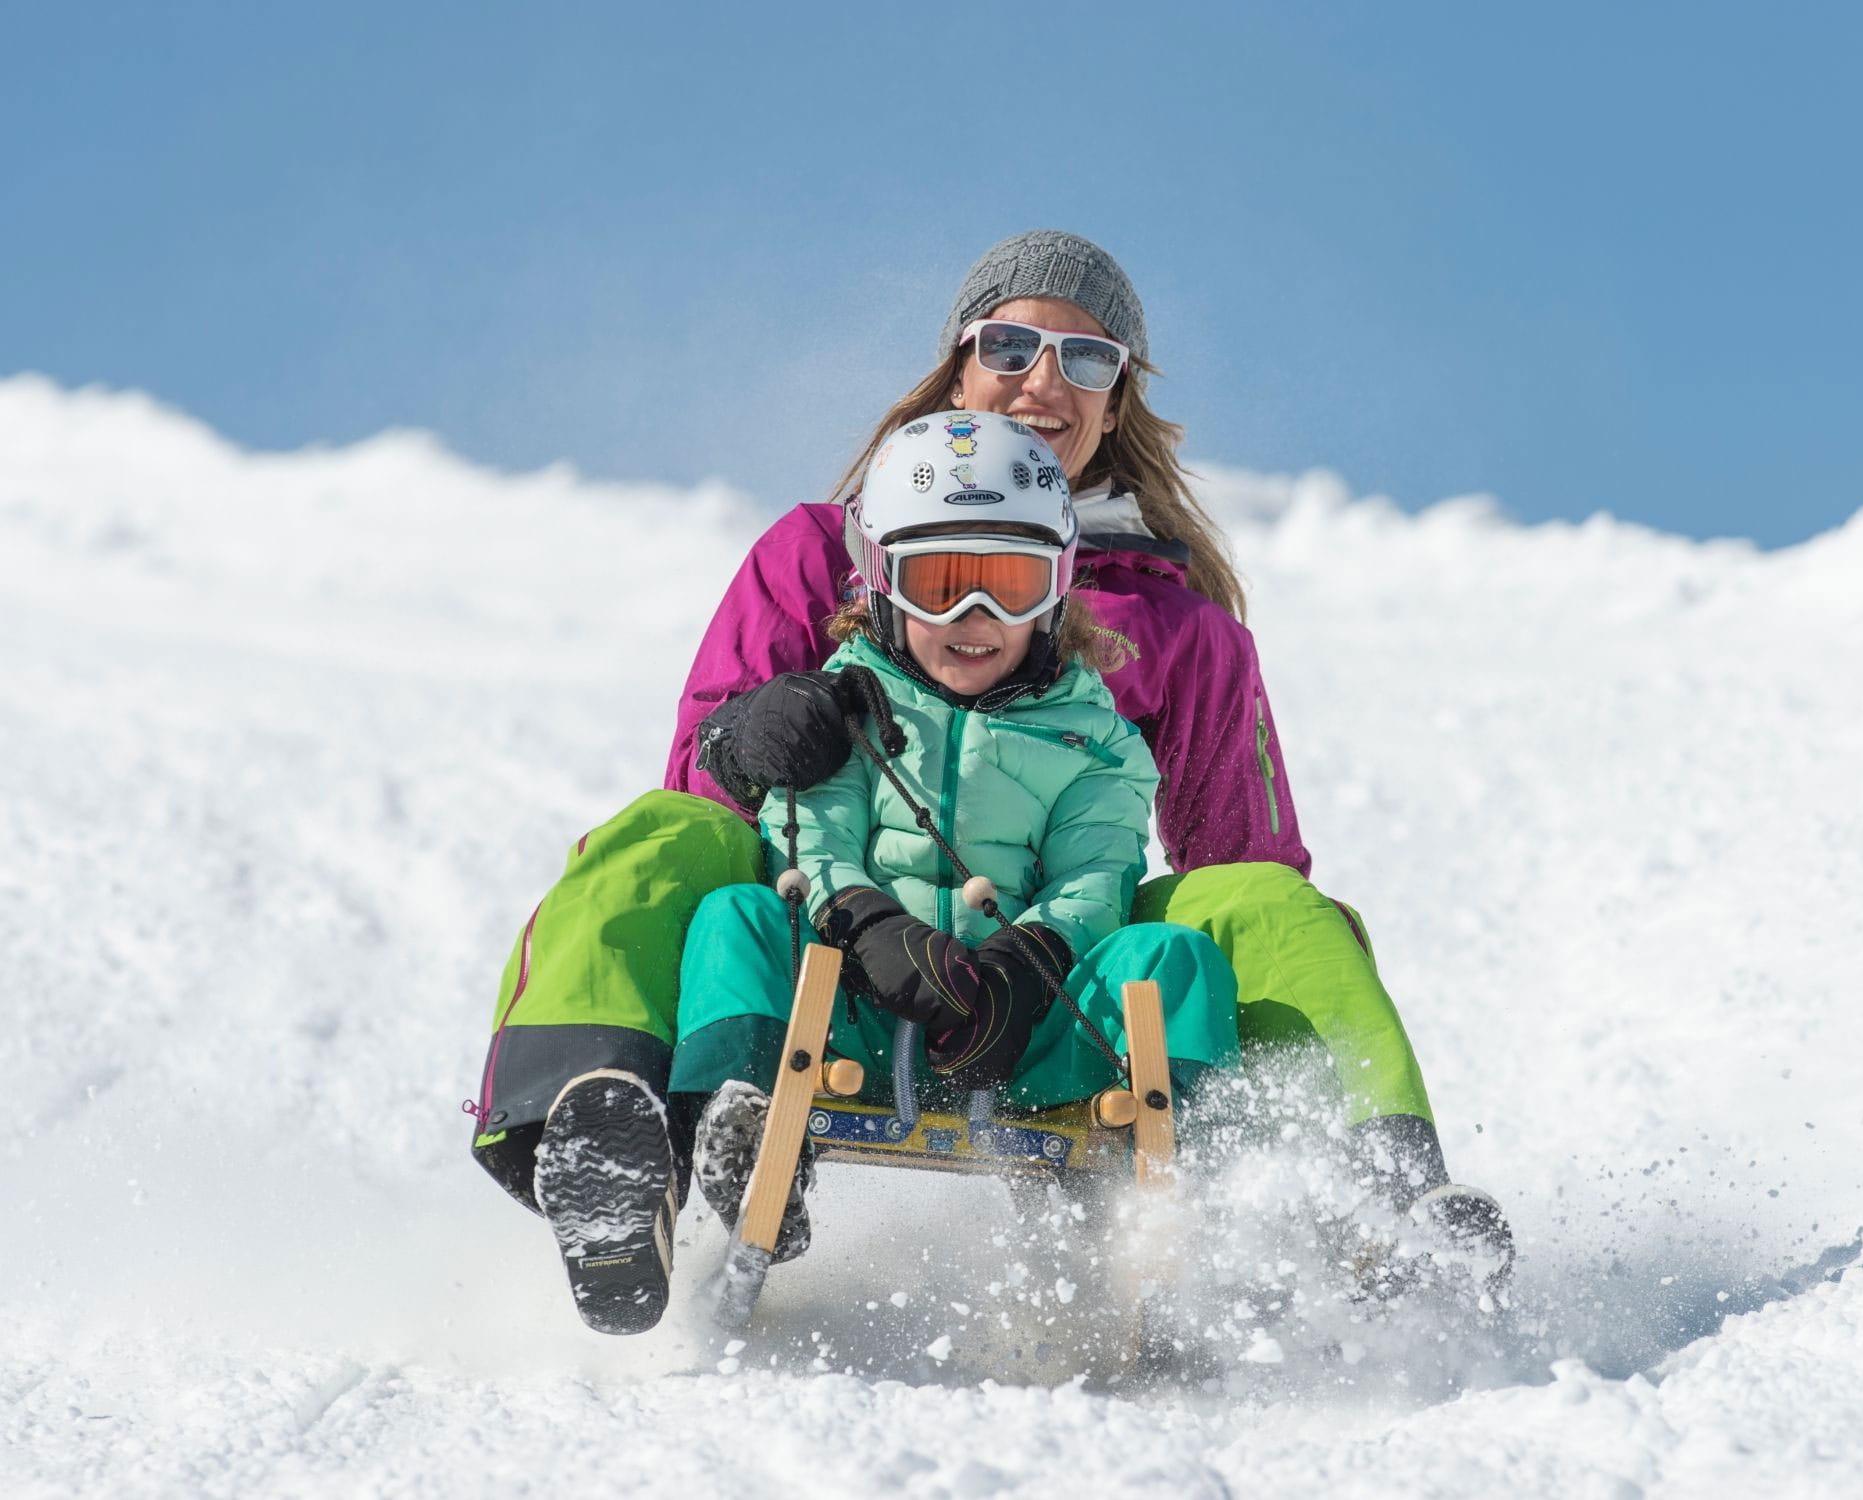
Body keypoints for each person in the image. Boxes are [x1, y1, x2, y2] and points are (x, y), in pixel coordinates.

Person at [468, 231, 1508, 1331]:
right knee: (667, 835)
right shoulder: (818, 555)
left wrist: (1067, 941)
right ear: (956, 366)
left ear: (1120, 398)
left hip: (1050, 986)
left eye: (1087, 359)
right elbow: (707, 793)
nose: (1043, 381)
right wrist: (754, 740)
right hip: (832, 950)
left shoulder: (1174, 627)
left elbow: (1236, 859)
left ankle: (1376, 1202)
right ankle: (604, 1133)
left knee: (1264, 904)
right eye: (1009, 344)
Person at [534, 415, 1241, 1332]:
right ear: (878, 583)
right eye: (938, 584)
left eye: (1010, 585)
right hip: (850, 1016)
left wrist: (1034, 959)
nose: (972, 618)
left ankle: (1195, 1220)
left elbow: (1097, 869)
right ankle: (738, 1130)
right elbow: (804, 833)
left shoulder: (1095, 739)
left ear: (1059, 589)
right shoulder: (849, 702)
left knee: (1172, 957)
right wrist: (865, 924)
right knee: (738, 917)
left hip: (1032, 1025)